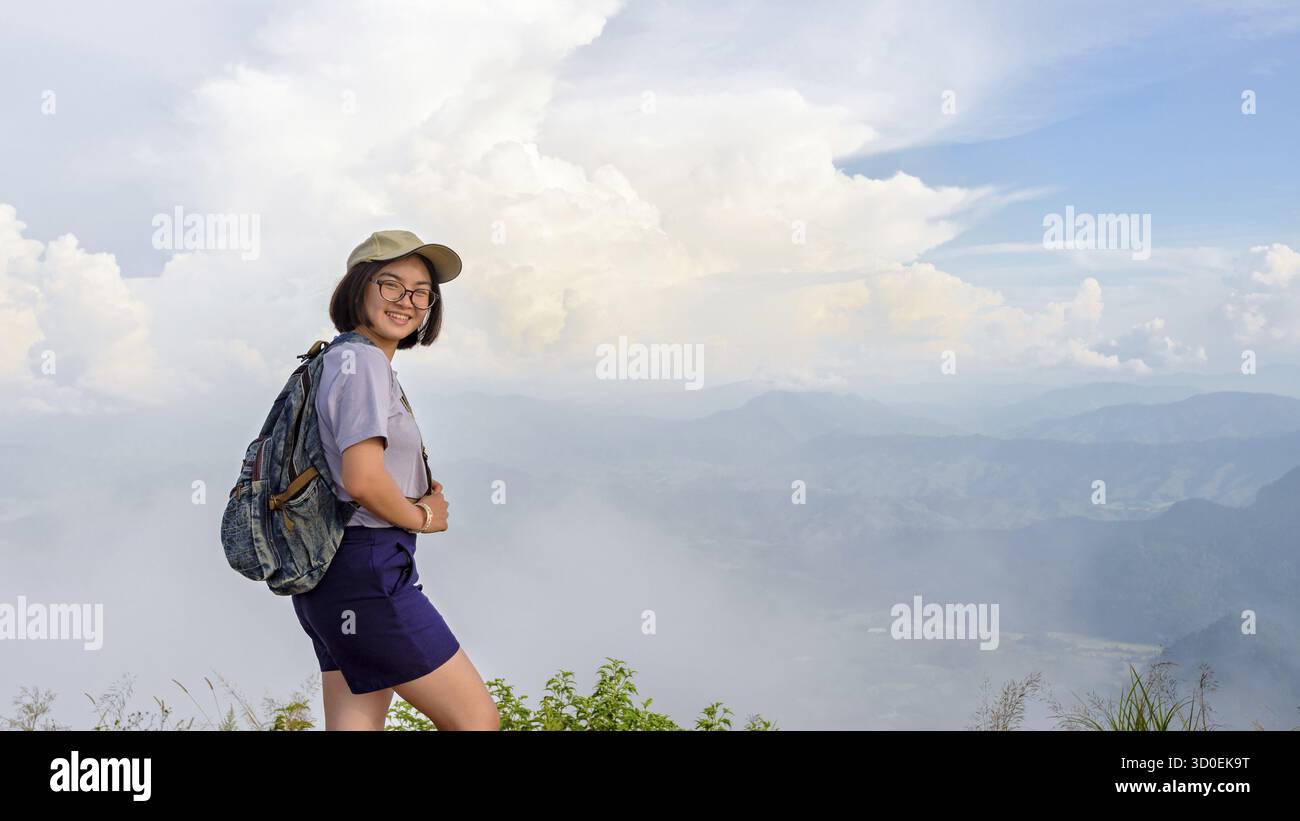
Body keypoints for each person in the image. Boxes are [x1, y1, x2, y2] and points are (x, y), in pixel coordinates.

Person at [291, 229, 499, 731]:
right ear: (358, 287)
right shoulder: (361, 362)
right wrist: (423, 516)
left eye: (421, 292)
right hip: (368, 568)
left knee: (355, 726)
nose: (407, 301)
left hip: (331, 575)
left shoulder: (338, 358)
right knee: (476, 721)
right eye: (390, 284)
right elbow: (363, 479)